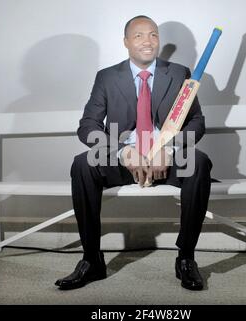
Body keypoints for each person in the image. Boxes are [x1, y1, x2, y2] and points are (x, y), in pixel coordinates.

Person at [55, 15, 212, 291]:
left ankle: (186, 258)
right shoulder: (107, 77)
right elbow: (88, 126)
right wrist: (122, 152)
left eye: (153, 34)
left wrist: (171, 149)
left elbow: (197, 122)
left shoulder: (178, 73)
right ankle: (91, 260)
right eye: (139, 35)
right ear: (126, 42)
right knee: (82, 164)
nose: (148, 41)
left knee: (198, 162)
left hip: (167, 160)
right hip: (125, 162)